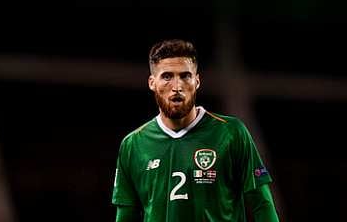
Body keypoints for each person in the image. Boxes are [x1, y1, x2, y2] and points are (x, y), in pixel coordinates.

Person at [112, 39, 280, 222]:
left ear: (197, 81)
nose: (177, 87)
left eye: (185, 76)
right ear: (152, 83)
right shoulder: (133, 144)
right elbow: (126, 216)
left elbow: (262, 204)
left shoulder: (231, 133)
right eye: (167, 76)